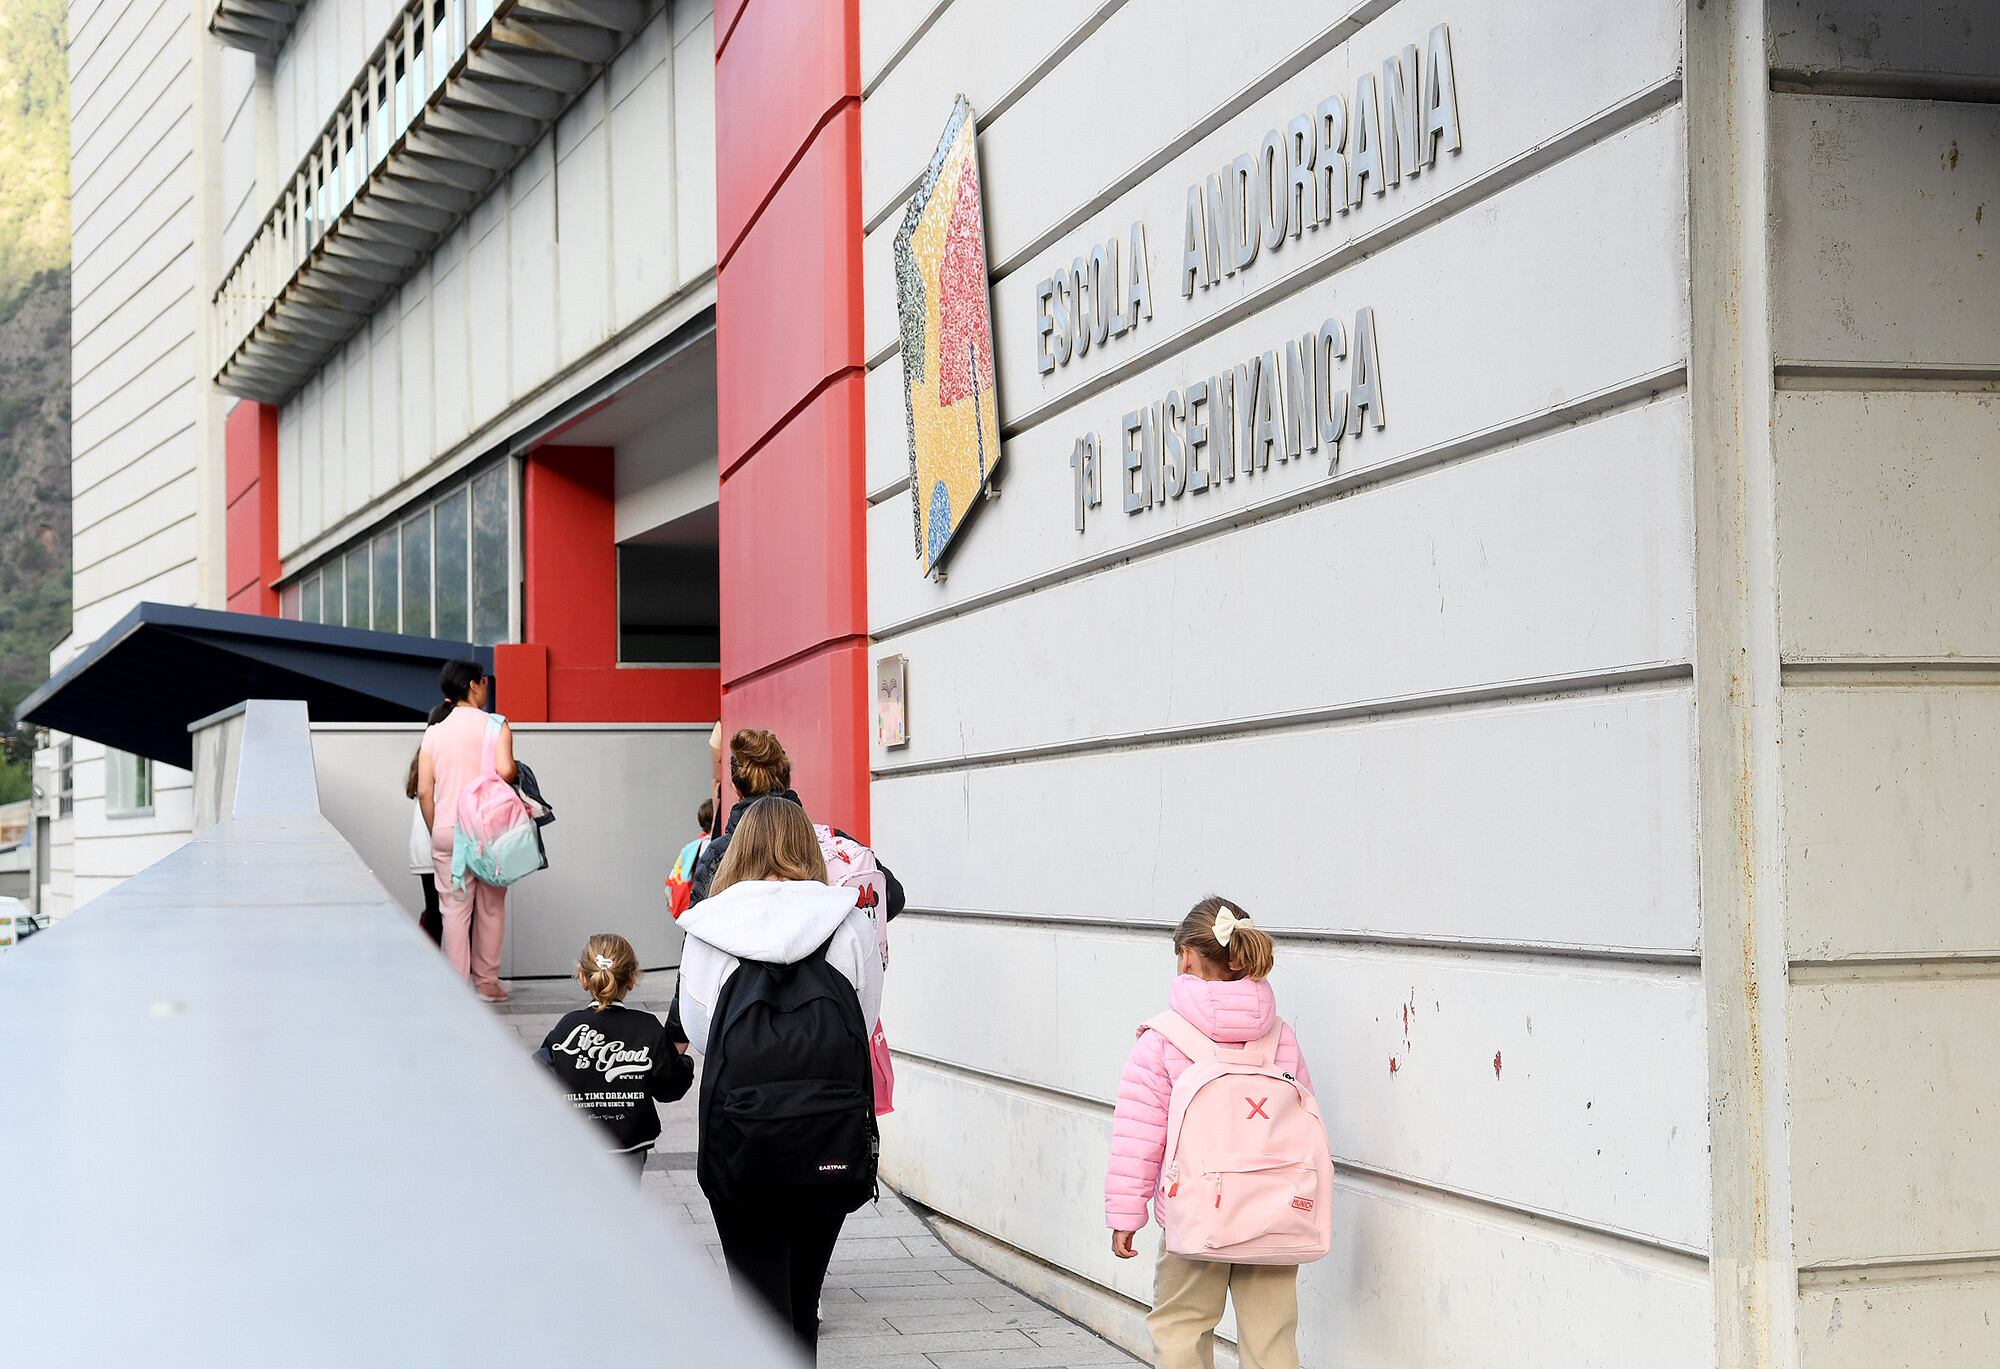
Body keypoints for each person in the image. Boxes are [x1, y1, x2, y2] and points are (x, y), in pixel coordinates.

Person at [675, 797, 885, 1355]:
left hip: (738, 1139)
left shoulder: (708, 926)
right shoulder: (845, 919)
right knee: (802, 1300)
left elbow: (701, 1033)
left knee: (757, 1307)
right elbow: (861, 1024)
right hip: (828, 1137)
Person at [1106, 898, 1315, 1369]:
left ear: (1186, 957)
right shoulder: (1280, 1036)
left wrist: (1126, 1212)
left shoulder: (1162, 1039)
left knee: (1181, 1324)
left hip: (1195, 1209)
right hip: (1272, 1208)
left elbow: (1139, 1134)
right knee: (1272, 1335)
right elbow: (1301, 1124)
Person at [688, 728, 905, 918]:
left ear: (736, 789)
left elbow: (696, 938)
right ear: (788, 781)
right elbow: (893, 898)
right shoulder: (831, 841)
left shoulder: (721, 852)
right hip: (828, 965)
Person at [534, 933, 693, 1180]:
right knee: (622, 1210)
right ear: (632, 978)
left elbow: (537, 1078)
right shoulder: (646, 1027)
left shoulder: (568, 1027)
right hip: (629, 1143)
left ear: (582, 978)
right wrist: (681, 1059)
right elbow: (669, 1090)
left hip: (577, 1142)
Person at [415, 659, 517, 1001]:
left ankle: (455, 986)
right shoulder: (496, 726)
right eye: (484, 682)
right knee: (490, 909)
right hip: (488, 833)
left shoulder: (434, 732)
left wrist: (436, 828)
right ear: (474, 684)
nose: (486, 687)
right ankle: (486, 983)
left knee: (453, 910)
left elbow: (425, 790)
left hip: (447, 831)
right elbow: (505, 770)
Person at [403, 701, 454, 945]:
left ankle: (428, 964)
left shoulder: (424, 753)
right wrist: (441, 837)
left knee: (434, 910)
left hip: (424, 849)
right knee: (444, 914)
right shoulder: (441, 757)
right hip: (437, 847)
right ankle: (433, 967)